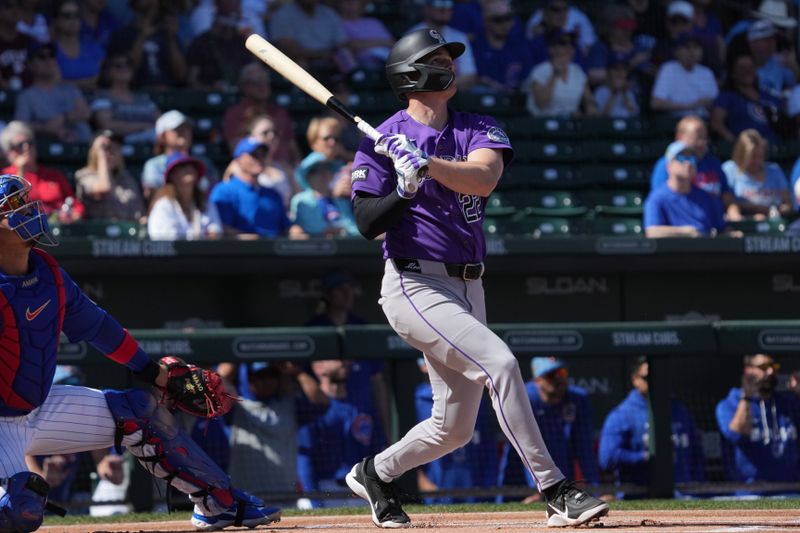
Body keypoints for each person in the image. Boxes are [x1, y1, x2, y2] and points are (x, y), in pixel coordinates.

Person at [345, 28, 609, 528]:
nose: (451, 66)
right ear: (411, 74)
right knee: (502, 365)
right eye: (439, 60)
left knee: (454, 428)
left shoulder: (477, 126)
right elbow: (366, 224)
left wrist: (425, 162)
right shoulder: (377, 141)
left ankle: (374, 472)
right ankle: (555, 489)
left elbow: (483, 177)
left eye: (450, 58)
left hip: (469, 284)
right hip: (414, 282)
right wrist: (403, 188)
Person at [0, 173, 281, 531]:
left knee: (139, 411)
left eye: (26, 200)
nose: (28, 210)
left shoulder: (49, 273)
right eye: (13, 207)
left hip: (37, 408)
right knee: (20, 509)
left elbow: (101, 329)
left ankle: (218, 504)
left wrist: (155, 374)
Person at [305, 268, 392, 444]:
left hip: (363, 413)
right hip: (326, 415)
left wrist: (387, 429)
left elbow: (378, 383)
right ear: (328, 295)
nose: (347, 293)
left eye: (349, 288)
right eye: (339, 289)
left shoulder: (361, 328)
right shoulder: (314, 329)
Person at [598, 357, 705, 493]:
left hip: (685, 491)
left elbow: (697, 454)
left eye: (658, 377)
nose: (654, 382)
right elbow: (607, 458)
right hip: (639, 493)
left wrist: (698, 485)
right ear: (635, 379)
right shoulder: (621, 415)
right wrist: (643, 457)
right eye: (647, 377)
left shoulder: (680, 410)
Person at [499, 357, 599, 502]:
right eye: (551, 375)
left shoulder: (578, 399)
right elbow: (524, 448)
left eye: (561, 373)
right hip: (522, 472)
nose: (558, 379)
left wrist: (596, 490)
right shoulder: (525, 398)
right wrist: (535, 489)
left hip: (563, 467)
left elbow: (585, 450)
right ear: (538, 380)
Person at [298, 359, 383, 508]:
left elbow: (376, 448)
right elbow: (304, 460)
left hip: (361, 486)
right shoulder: (314, 408)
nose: (343, 362)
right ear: (318, 367)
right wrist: (314, 498)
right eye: (335, 358)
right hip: (326, 486)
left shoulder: (361, 406)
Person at [415, 357, 497, 504]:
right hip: (437, 487)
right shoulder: (418, 399)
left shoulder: (475, 397)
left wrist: (487, 483)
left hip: (473, 486)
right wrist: (421, 480)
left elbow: (488, 446)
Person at [715, 353, 800, 483]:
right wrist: (747, 396)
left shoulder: (788, 403)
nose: (771, 372)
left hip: (790, 489)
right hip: (750, 493)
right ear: (748, 371)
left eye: (773, 367)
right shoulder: (729, 404)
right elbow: (736, 435)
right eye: (764, 367)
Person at [649, 115, 740, 221]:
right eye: (698, 137)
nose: (703, 142)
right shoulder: (667, 164)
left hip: (715, 222)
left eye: (705, 137)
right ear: (680, 137)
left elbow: (727, 197)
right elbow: (663, 202)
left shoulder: (713, 163)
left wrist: (734, 215)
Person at [209, 138, 303, 238]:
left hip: (273, 250)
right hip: (241, 251)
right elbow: (221, 228)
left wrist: (296, 231)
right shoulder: (223, 191)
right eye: (254, 155)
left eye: (263, 155)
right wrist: (243, 238)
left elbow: (286, 226)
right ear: (239, 160)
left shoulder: (272, 194)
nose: (259, 159)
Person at [0, 120, 85, 222]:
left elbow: (77, 206)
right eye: (19, 145)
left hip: (57, 228)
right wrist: (20, 171)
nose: (26, 147)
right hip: (25, 231)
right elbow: (15, 207)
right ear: (9, 152)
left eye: (29, 143)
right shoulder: (4, 177)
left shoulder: (53, 175)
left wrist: (71, 217)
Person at [222, 62, 300, 168]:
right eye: (256, 82)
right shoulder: (236, 114)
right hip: (257, 169)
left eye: (265, 81)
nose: (262, 86)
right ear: (244, 86)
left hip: (286, 170)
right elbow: (237, 150)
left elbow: (293, 149)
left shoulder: (279, 112)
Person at [643, 141, 727, 238]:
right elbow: (652, 232)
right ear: (669, 166)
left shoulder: (707, 197)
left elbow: (722, 230)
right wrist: (686, 232)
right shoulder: (657, 198)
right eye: (681, 158)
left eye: (692, 159)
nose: (688, 163)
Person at [13, 42, 92, 143]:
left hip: (81, 145)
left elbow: (86, 113)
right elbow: (20, 124)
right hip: (46, 148)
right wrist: (46, 128)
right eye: (42, 57)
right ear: (30, 64)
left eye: (52, 56)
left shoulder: (69, 89)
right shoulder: (26, 96)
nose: (48, 60)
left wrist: (63, 118)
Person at [107, 0, 188, 89]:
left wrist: (171, 38)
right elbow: (127, 70)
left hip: (169, 96)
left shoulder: (167, 34)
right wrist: (142, 37)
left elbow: (181, 75)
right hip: (137, 97)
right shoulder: (122, 35)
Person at [141, 110, 219, 202]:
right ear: (162, 136)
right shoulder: (153, 165)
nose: (183, 132)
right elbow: (154, 197)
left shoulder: (205, 163)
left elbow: (213, 194)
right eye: (176, 129)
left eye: (186, 128)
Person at [147, 152, 222, 240]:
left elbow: (216, 233)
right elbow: (167, 242)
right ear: (172, 175)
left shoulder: (205, 202)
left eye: (191, 166)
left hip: (205, 253)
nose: (188, 169)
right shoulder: (163, 206)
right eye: (181, 166)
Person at [721, 129, 793, 220]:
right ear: (742, 154)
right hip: (743, 223)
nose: (758, 161)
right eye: (753, 156)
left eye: (760, 156)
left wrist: (774, 212)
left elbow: (788, 204)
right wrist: (754, 209)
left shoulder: (774, 170)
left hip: (773, 222)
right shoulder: (729, 169)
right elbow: (727, 203)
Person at [74, 130, 145, 222]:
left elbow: (139, 210)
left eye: (116, 148)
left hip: (128, 232)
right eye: (106, 148)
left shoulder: (126, 177)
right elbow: (104, 188)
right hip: (99, 233)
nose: (112, 153)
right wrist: (101, 154)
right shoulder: (84, 174)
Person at [408, 0, 478, 92]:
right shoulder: (412, 36)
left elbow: (470, 76)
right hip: (423, 95)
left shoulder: (459, 37)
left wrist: (444, 86)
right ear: (427, 9)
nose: (444, 10)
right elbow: (410, 76)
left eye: (448, 7)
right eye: (438, 6)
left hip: (455, 94)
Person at [90, 52, 160, 144]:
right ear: (108, 72)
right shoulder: (103, 96)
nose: (124, 69)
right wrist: (142, 126)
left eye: (128, 65)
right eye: (118, 66)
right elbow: (107, 124)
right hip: (120, 141)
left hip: (151, 137)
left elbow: (161, 120)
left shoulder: (142, 97)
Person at [710, 53, 782, 142]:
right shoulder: (727, 97)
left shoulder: (769, 97)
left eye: (751, 67)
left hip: (774, 147)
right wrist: (734, 141)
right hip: (746, 149)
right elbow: (716, 123)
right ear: (733, 73)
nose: (747, 71)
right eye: (742, 68)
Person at [523, 30, 596, 117]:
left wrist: (590, 107)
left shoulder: (577, 71)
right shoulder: (540, 70)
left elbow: (588, 99)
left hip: (570, 123)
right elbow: (541, 104)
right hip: (543, 123)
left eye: (572, 44)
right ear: (551, 48)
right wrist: (554, 75)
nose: (569, 47)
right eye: (563, 43)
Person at [185, 0, 252, 90]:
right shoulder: (201, 42)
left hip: (242, 96)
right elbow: (192, 81)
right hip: (209, 97)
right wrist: (210, 88)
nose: (229, 31)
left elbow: (254, 72)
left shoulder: (241, 42)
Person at [268, 0, 350, 74]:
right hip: (305, 63)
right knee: (299, 63)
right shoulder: (283, 15)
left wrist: (335, 56)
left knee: (347, 58)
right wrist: (322, 55)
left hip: (333, 62)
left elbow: (342, 43)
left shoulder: (329, 13)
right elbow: (288, 48)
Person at [470, 0, 532, 94]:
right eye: (498, 20)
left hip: (515, 102)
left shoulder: (520, 46)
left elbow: (527, 78)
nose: (504, 24)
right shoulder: (476, 47)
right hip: (484, 102)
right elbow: (474, 78)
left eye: (508, 18)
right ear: (486, 21)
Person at [650, 34, 718, 118]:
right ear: (677, 51)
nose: (693, 52)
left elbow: (716, 103)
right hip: (675, 122)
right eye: (688, 47)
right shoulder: (668, 69)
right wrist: (691, 106)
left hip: (703, 121)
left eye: (696, 47)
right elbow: (656, 103)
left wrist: (708, 103)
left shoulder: (707, 72)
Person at [290, 160, 359, 237]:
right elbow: (315, 229)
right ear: (308, 177)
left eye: (327, 169)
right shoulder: (301, 200)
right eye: (317, 171)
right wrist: (339, 230)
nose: (324, 173)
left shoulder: (340, 199)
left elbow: (353, 228)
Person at [50, 0, 106, 91]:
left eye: (77, 16)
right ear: (56, 20)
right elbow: (55, 82)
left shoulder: (94, 47)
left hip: (97, 99)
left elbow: (104, 77)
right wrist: (86, 83)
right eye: (67, 16)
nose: (73, 20)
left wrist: (72, 82)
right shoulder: (50, 50)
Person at [337, 0, 394, 70]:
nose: (351, 3)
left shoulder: (374, 22)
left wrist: (363, 44)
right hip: (359, 67)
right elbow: (346, 44)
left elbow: (391, 43)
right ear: (340, 3)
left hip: (386, 62)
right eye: (347, 1)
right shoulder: (337, 23)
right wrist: (381, 42)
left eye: (354, 1)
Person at [295, 117, 348, 192]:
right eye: (327, 138)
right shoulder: (306, 167)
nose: (332, 142)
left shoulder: (339, 164)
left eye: (336, 138)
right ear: (314, 141)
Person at [0, 0, 36, 91]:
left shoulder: (29, 40)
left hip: (30, 93)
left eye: (19, 6)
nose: (15, 10)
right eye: (9, 7)